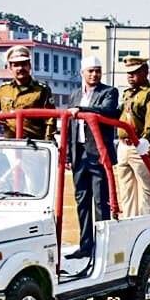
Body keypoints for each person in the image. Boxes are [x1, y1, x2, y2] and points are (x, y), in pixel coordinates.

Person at [66, 55, 120, 263]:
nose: (94, 74)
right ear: (82, 73)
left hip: (98, 155)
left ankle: (103, 246)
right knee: (82, 201)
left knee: (100, 201)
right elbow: (71, 126)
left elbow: (107, 111)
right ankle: (85, 245)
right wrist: (69, 155)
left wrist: (83, 110)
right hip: (79, 154)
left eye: (98, 70)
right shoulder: (75, 95)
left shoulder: (109, 92)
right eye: (91, 71)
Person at [115, 56, 150, 217]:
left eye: (134, 72)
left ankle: (146, 224)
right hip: (123, 145)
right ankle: (129, 223)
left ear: (145, 72)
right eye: (128, 73)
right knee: (126, 190)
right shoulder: (127, 93)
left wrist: (146, 139)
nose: (130, 76)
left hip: (139, 145)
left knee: (145, 191)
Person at [0, 45, 56, 140]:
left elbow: (50, 119)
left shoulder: (42, 91)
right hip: (11, 144)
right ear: (10, 68)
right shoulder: (3, 90)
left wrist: (48, 142)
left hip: (34, 144)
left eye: (23, 64)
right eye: (16, 65)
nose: (20, 68)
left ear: (29, 66)